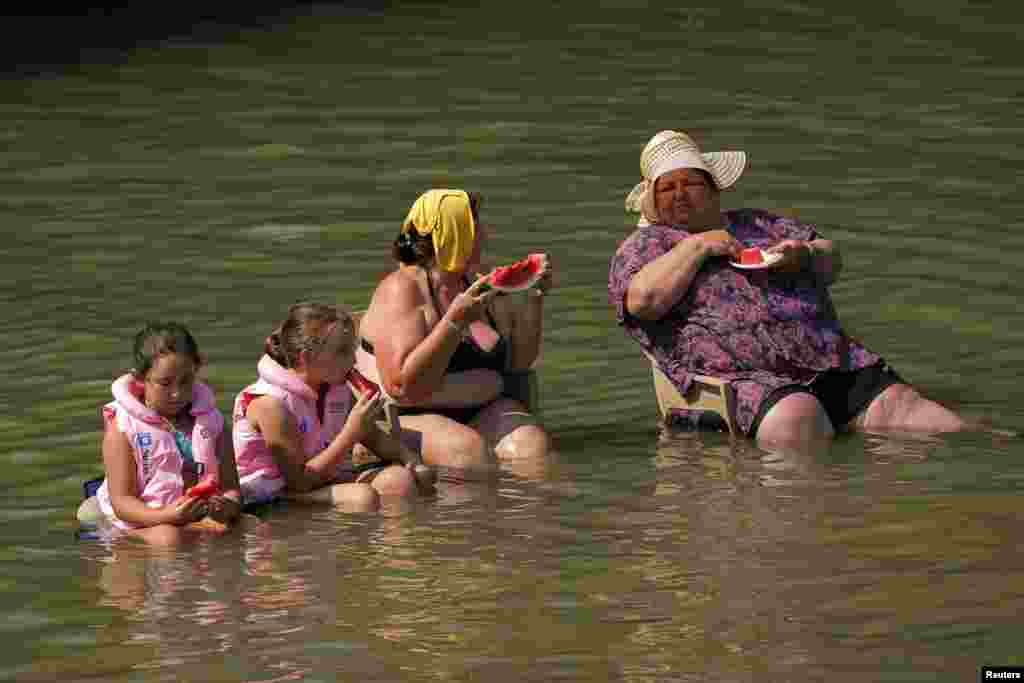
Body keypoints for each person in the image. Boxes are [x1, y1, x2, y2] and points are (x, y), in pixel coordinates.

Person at [609, 130, 965, 444]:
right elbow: (643, 301)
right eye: (667, 188)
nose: (680, 194)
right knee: (799, 418)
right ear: (653, 202)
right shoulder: (646, 245)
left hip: (827, 361)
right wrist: (698, 246)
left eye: (690, 182)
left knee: (926, 419)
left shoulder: (757, 222)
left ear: (714, 187)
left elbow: (832, 260)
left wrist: (804, 254)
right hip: (735, 381)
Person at [356, 189, 552, 473]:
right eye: (474, 226)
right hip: (410, 415)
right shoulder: (402, 289)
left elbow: (519, 363)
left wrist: (534, 299)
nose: (484, 234)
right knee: (469, 456)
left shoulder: (475, 280)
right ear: (452, 233)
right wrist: (452, 324)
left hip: (481, 408)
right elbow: (401, 388)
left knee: (533, 450)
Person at [233, 302, 426, 509]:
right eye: (342, 352)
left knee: (399, 481)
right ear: (306, 357)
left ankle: (398, 541)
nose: (353, 360)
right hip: (271, 495)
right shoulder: (270, 405)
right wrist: (350, 434)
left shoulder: (335, 389)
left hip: (322, 480)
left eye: (352, 349)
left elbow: (373, 437)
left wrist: (410, 459)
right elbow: (299, 482)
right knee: (361, 498)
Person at [92, 322, 243, 545]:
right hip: (146, 521)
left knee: (251, 527)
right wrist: (167, 516)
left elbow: (231, 488)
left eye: (186, 381)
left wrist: (226, 506)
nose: (177, 393)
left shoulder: (213, 422)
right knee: (169, 538)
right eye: (165, 383)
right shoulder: (123, 427)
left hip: (197, 518)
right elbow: (122, 502)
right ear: (140, 379)